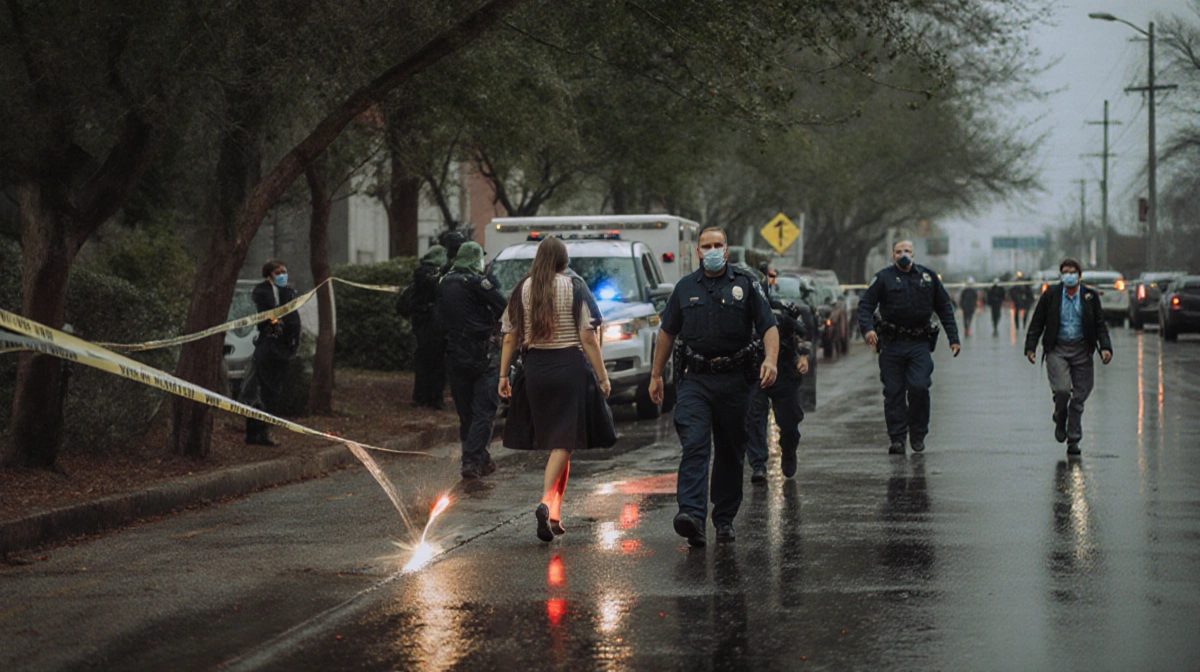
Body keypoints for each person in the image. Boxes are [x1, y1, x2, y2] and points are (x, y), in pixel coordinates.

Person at [648, 227, 779, 547]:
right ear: (698, 252)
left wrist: (771, 360)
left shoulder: (746, 284)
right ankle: (692, 515)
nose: (712, 250)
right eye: (706, 246)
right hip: (696, 378)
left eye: (718, 245)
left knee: (730, 450)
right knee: (694, 443)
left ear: (727, 249)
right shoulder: (684, 288)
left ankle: (724, 519)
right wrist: (655, 374)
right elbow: (667, 332)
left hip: (735, 379)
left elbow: (768, 326)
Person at [497, 236, 610, 542]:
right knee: (563, 441)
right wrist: (602, 377)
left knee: (562, 443)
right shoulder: (575, 287)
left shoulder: (522, 289)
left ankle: (556, 516)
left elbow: (510, 336)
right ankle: (546, 503)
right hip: (569, 368)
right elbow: (588, 336)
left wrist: (503, 375)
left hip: (535, 370)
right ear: (564, 260)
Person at [857, 240, 960, 455]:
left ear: (913, 255)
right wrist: (868, 330)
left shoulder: (927, 278)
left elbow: (944, 307)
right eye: (898, 251)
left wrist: (954, 338)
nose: (902, 254)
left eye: (907, 251)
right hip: (892, 344)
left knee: (919, 387)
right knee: (893, 392)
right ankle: (897, 438)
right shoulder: (883, 278)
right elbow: (865, 306)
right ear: (892, 255)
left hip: (918, 343)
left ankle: (918, 433)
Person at [1023, 257, 1113, 456]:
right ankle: (1060, 415)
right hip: (1058, 349)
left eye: (1072, 272)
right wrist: (1031, 347)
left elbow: (1099, 325)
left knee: (1079, 397)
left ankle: (1073, 440)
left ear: (1079, 276)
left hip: (1082, 350)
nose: (1069, 276)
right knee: (1062, 390)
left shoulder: (1089, 297)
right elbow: (1037, 322)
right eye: (1065, 272)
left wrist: (1105, 347)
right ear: (1061, 276)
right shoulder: (1051, 295)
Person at [437, 242, 508, 479]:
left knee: (466, 413)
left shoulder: (444, 282)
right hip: (479, 353)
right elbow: (504, 307)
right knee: (484, 410)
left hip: (454, 353)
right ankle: (471, 460)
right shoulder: (476, 282)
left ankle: (480, 457)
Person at [746, 272, 809, 484]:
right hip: (753, 371)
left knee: (789, 420)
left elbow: (801, 333)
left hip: (783, 370)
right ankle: (758, 465)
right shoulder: (740, 310)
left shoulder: (783, 309)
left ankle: (789, 450)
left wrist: (802, 356)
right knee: (754, 418)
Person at [240, 259, 301, 446]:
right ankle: (255, 433)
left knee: (274, 393)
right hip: (267, 348)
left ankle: (263, 431)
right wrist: (276, 323)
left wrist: (293, 344)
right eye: (278, 272)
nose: (282, 275)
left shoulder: (288, 293)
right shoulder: (262, 291)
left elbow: (293, 319)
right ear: (269, 275)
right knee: (261, 392)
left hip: (282, 350)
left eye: (284, 271)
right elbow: (268, 314)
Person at [408, 245, 447, 410]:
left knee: (423, 362)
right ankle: (434, 398)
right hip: (432, 324)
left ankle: (421, 396)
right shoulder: (432, 274)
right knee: (437, 362)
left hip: (422, 323)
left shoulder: (420, 272)